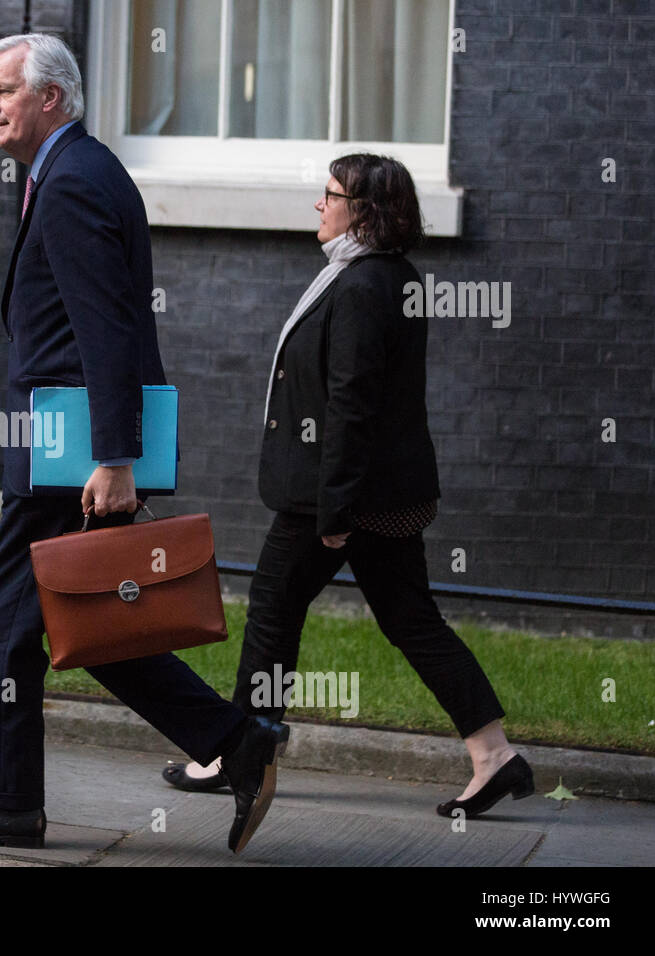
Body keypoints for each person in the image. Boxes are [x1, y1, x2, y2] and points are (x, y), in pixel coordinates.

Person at [0, 33, 288, 854]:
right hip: (72, 450)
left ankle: (5, 805)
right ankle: (237, 739)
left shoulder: (74, 182)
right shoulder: (79, 170)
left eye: (4, 90)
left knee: (2, 633)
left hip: (70, 459)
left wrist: (114, 458)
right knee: (93, 624)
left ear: (52, 98)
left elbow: (106, 329)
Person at [160, 155, 534, 820]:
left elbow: (352, 405)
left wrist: (335, 510)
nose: (319, 205)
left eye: (330, 195)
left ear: (364, 211)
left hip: (337, 496)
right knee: (412, 620)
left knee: (274, 608)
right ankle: (493, 754)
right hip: (378, 494)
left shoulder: (361, 287)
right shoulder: (390, 278)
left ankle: (241, 751)